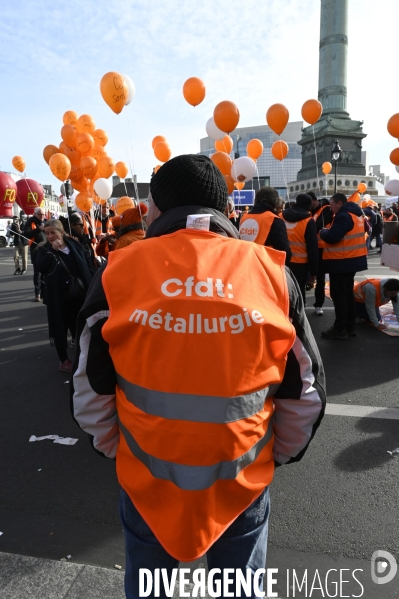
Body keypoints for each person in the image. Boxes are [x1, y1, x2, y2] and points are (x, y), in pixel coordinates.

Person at [72, 154, 325, 599]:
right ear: (225, 208)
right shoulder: (271, 273)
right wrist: (270, 455)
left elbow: (90, 385)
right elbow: (304, 390)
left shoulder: (119, 270)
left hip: (148, 482)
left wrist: (119, 450)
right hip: (241, 482)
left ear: (156, 208)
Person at [35, 219, 93, 372]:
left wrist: (93, 282)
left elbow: (86, 262)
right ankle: (63, 359)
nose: (50, 236)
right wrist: (53, 252)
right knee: (60, 327)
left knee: (79, 322)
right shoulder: (44, 250)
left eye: (53, 232)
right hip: (58, 296)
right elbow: (40, 267)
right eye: (47, 233)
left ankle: (81, 347)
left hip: (78, 293)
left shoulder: (74, 245)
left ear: (61, 232)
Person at [319, 192, 368, 339]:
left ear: (339, 203)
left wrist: (323, 232)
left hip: (342, 261)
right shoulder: (356, 214)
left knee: (339, 295)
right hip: (352, 260)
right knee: (347, 294)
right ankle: (349, 326)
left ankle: (340, 328)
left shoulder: (343, 216)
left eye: (332, 205)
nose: (330, 208)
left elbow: (333, 237)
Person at [239, 185, 292, 263]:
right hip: (264, 267)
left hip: (245, 264)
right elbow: (285, 253)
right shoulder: (274, 220)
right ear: (275, 202)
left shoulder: (244, 218)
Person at [282, 193, 318, 303]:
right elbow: (313, 248)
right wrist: (313, 272)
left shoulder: (281, 216)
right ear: (308, 205)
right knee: (299, 291)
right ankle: (299, 316)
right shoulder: (309, 221)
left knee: (284, 288)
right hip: (301, 264)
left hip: (282, 260)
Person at [309, 194, 333, 315]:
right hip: (312, 248)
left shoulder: (326, 208)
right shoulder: (312, 211)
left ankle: (319, 305)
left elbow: (317, 226)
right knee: (311, 276)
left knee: (320, 278)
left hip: (323, 249)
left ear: (314, 201)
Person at [24, 207, 47, 301]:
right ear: (35, 214)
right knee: (37, 272)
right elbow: (27, 234)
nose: (42, 217)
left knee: (45, 272)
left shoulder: (46, 221)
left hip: (46, 248)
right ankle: (37, 293)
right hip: (35, 249)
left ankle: (44, 292)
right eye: (39, 214)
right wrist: (38, 229)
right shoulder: (30, 221)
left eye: (43, 214)